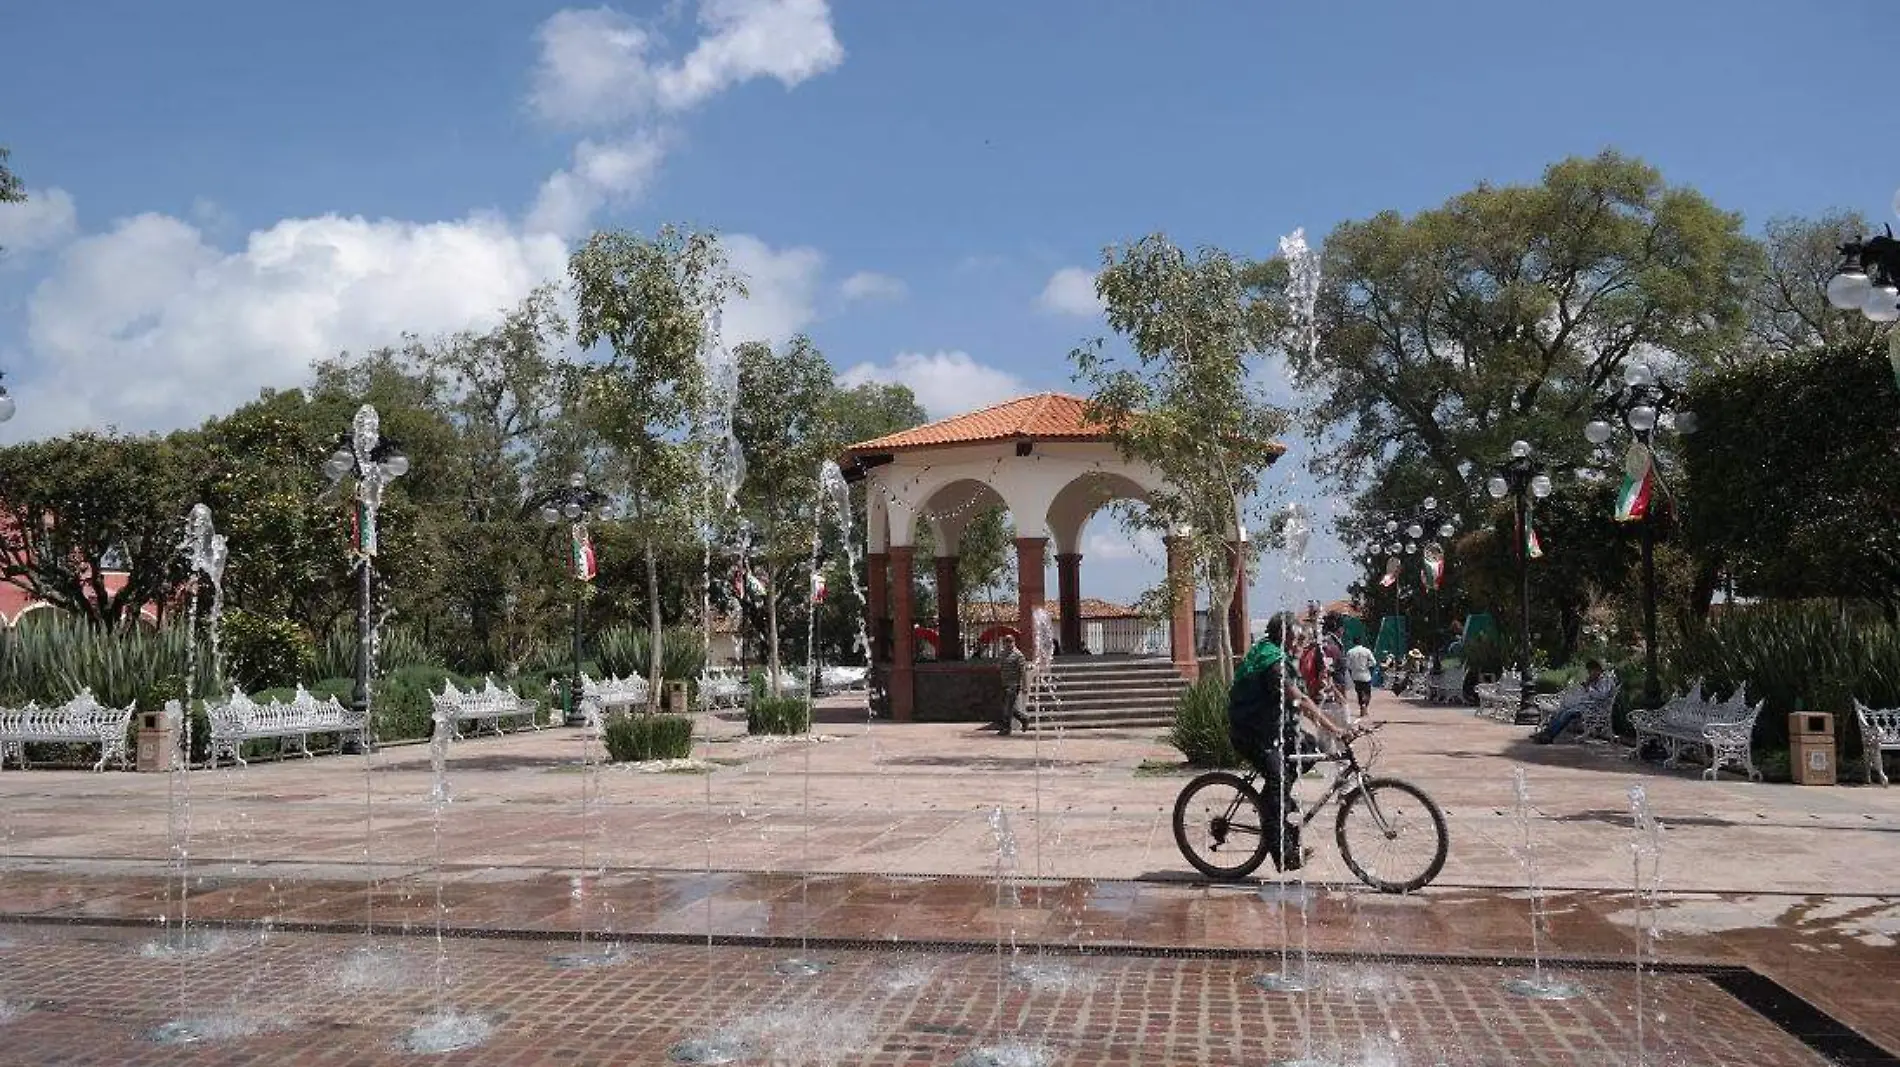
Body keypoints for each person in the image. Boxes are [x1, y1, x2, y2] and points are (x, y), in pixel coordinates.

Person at [1228, 616, 1355, 872]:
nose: (1302, 643)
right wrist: (1336, 730)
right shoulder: (1272, 663)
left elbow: (1309, 693)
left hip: (1272, 728)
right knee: (1278, 784)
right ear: (1284, 636)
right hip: (1252, 732)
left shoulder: (1279, 657)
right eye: (1297, 638)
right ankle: (1282, 852)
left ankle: (1279, 807)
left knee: (1310, 750)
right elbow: (1300, 701)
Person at [1530, 659, 1612, 744]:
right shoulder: (1594, 681)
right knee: (1562, 712)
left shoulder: (1605, 681)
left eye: (1592, 670)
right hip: (1586, 706)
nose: (1590, 673)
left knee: (1567, 713)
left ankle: (1549, 736)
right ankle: (1546, 733)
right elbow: (1586, 695)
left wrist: (1589, 688)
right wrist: (1585, 687)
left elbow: (1602, 696)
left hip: (1595, 708)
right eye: (1589, 671)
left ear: (1598, 670)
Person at [995, 635, 1031, 736]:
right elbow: (999, 665)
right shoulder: (1002, 654)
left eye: (1009, 642)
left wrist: (1024, 686)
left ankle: (1007, 728)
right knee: (1008, 707)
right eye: (1006, 642)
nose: (1007, 644)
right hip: (1004, 683)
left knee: (1007, 707)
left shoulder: (1018, 655)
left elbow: (1023, 672)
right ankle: (1024, 719)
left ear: (1013, 642)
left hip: (1014, 684)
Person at [1345, 640, 1376, 717]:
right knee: (1367, 692)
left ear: (1354, 643)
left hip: (1355, 675)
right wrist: (1366, 665)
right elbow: (1374, 662)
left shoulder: (1350, 652)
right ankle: (1365, 704)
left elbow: (1348, 665)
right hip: (1365, 674)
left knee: (1359, 692)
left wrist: (1354, 668)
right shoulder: (1366, 651)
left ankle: (1362, 704)